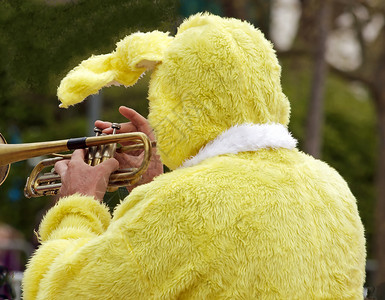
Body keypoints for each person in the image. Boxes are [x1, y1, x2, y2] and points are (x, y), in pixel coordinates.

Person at [22, 13, 366, 299]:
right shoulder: (333, 189)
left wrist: (76, 206)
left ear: (175, 103)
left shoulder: (182, 204)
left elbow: (62, 292)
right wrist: (154, 183)